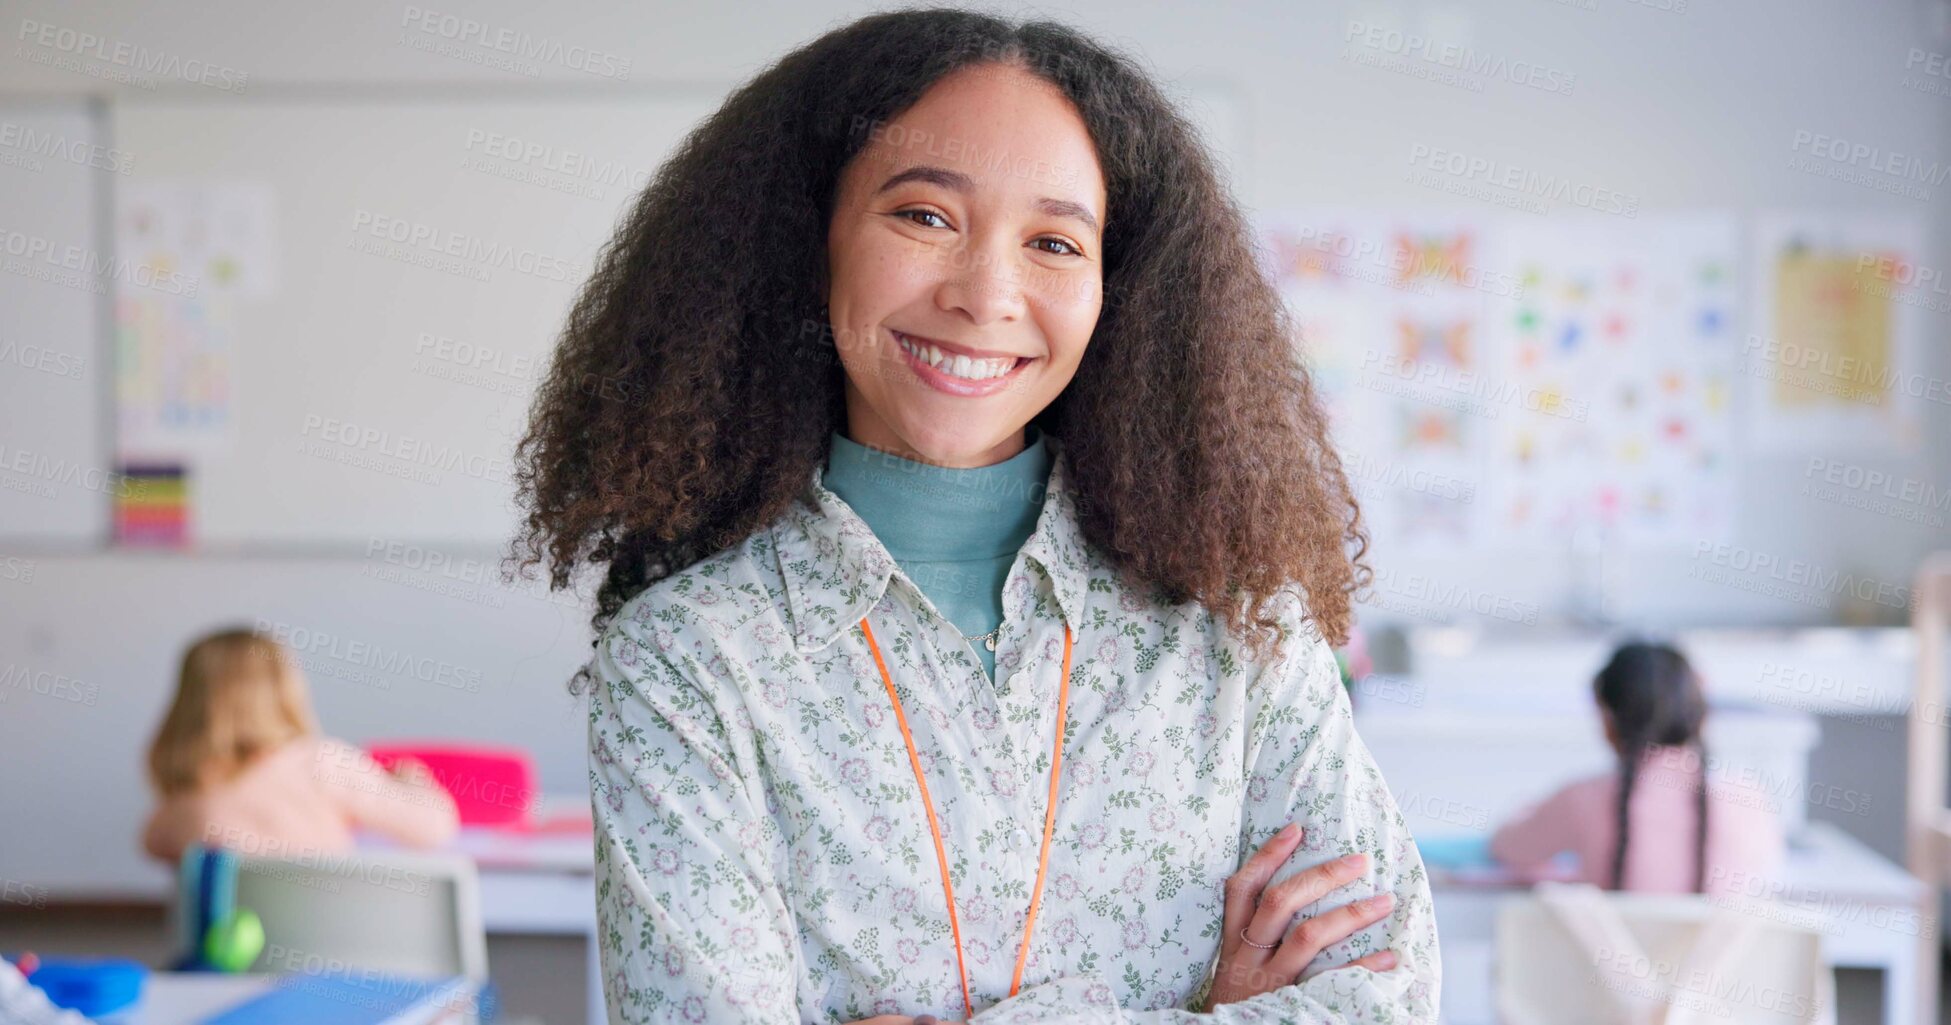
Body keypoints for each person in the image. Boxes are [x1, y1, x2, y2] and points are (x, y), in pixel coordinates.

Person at [512, 9, 1438, 1022]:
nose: (987, 293)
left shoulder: (1239, 623)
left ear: (1115, 292)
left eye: (1053, 240)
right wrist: (1208, 1011)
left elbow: (1383, 997)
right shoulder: (688, 658)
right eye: (923, 216)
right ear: (805, 240)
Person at [140, 627, 459, 865]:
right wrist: (413, 782)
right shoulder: (323, 763)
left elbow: (154, 843)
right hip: (334, 948)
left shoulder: (190, 786)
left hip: (229, 953)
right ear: (286, 689)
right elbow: (434, 829)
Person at [1489, 641, 1787, 896]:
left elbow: (1506, 847)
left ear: (1607, 720)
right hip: (1719, 965)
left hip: (1599, 964)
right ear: (1701, 712)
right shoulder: (1749, 800)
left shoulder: (1582, 799)